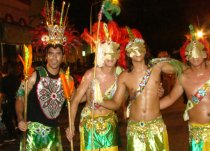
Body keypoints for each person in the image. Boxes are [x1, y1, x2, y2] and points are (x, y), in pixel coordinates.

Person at [99, 27, 183, 151]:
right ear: (127, 53)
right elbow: (116, 103)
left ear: (145, 50)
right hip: (135, 130)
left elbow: (183, 69)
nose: (137, 52)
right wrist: (98, 100)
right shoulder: (124, 76)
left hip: (156, 128)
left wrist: (172, 95)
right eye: (133, 49)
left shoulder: (157, 67)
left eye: (140, 48)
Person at [15, 1, 71, 150]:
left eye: (58, 54)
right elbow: (20, 97)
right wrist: (20, 119)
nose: (54, 58)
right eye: (51, 54)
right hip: (33, 135)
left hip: (54, 136)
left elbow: (75, 101)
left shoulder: (67, 79)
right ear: (46, 56)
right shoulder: (35, 75)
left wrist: (70, 127)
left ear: (63, 56)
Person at [66, 21, 124, 151]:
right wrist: (71, 125)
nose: (110, 57)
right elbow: (75, 101)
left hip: (110, 125)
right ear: (101, 54)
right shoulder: (90, 74)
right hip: (90, 124)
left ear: (118, 56)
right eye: (107, 53)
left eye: (113, 53)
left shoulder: (120, 74)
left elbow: (125, 97)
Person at [0, 63, 21, 142]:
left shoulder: (4, 80)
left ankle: (12, 134)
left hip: (8, 101)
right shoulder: (16, 79)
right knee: (17, 116)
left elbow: (2, 94)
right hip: (17, 100)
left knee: (6, 118)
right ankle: (20, 133)